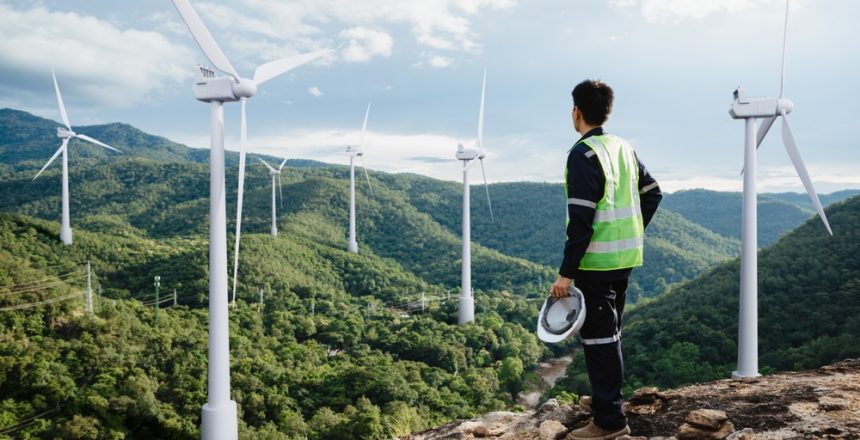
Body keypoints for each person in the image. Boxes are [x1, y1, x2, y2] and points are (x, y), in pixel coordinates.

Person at [550, 79, 662, 439]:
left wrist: (566, 275)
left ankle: (610, 422)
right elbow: (653, 193)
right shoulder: (623, 147)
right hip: (625, 258)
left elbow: (580, 221)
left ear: (576, 112)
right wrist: (632, 230)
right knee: (609, 333)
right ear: (607, 111)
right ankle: (604, 401)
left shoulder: (582, 155)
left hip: (595, 264)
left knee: (599, 339)